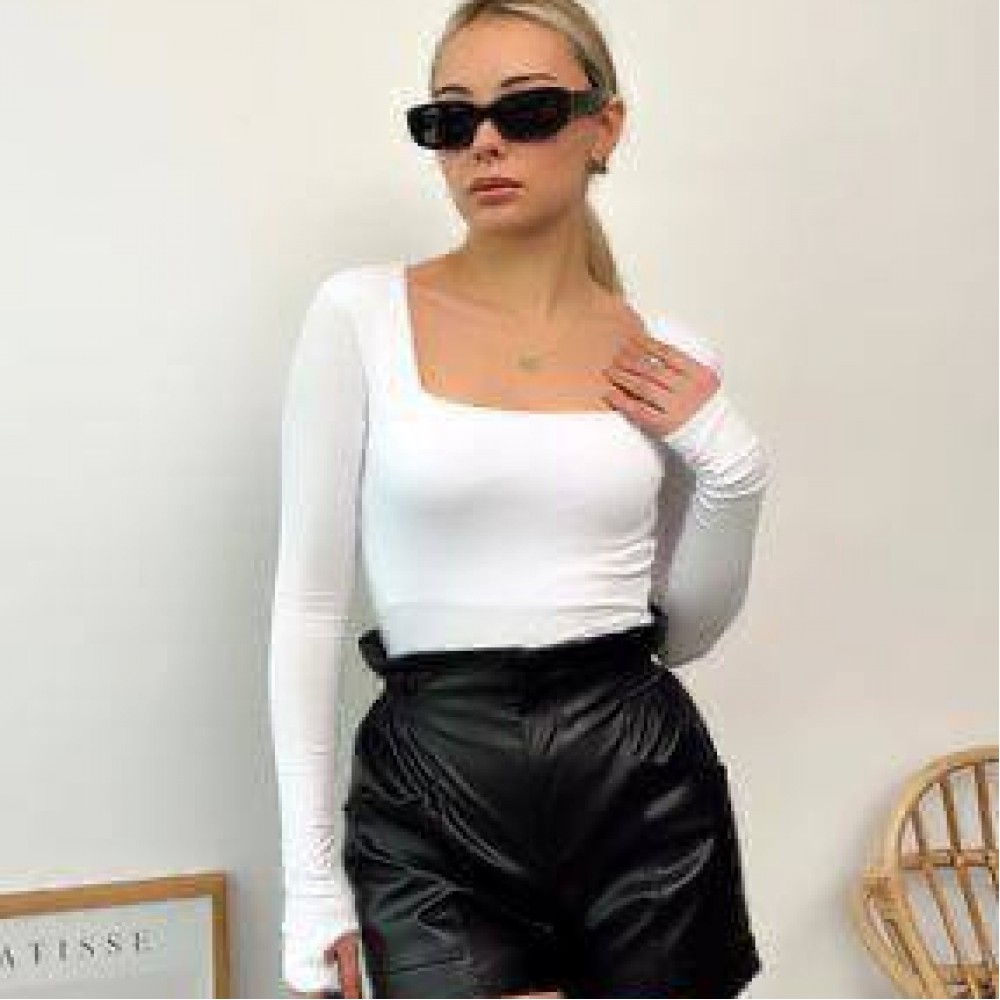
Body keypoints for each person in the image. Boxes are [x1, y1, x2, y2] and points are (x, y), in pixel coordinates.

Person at [267, 0, 772, 996]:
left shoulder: (666, 358)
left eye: (527, 109)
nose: (484, 142)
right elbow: (309, 609)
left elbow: (679, 636)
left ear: (604, 127)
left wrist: (735, 474)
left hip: (639, 783)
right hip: (433, 790)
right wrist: (311, 883)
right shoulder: (359, 313)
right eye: (450, 118)